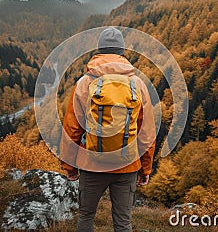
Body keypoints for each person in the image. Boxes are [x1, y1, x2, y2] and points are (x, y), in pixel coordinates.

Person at [60, 27, 156, 232]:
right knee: (123, 222)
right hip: (127, 165)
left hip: (91, 163)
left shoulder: (85, 83)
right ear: (122, 53)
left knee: (86, 216)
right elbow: (146, 134)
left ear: (99, 52)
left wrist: (70, 166)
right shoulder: (138, 84)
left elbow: (72, 129)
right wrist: (145, 168)